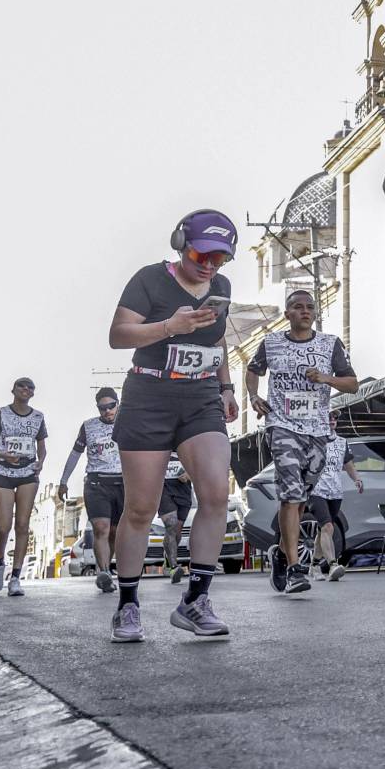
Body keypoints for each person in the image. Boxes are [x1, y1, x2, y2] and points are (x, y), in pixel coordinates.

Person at [106, 208, 241, 641]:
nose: (209, 265)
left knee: (216, 493)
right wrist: (169, 326)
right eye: (202, 254)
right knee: (142, 508)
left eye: (219, 258)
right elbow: (119, 334)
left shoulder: (220, 287)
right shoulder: (149, 279)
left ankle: (195, 602)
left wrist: (226, 387)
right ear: (181, 243)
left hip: (200, 397)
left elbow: (216, 337)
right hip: (149, 397)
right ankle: (127, 607)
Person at [244, 288, 359, 595]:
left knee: (300, 500)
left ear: (314, 314)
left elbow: (352, 384)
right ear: (288, 314)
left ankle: (280, 554)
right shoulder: (271, 343)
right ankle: (296, 568)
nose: (304, 311)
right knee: (291, 496)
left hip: (317, 430)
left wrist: (327, 378)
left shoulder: (329, 344)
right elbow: (253, 370)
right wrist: (254, 397)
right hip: (281, 426)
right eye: (297, 307)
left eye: (310, 307)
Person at [0, 377, 48, 596]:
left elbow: (42, 446)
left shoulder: (38, 417)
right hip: (3, 471)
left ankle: (15, 578)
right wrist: (2, 454)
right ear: (13, 390)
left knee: (23, 525)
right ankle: (0, 563)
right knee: (3, 527)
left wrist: (41, 462)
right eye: (22, 385)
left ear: (33, 393)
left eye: (30, 387)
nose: (26, 389)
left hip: (28, 473)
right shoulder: (1, 413)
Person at [58, 388, 124, 592]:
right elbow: (75, 454)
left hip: (123, 483)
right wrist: (63, 480)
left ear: (117, 403)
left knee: (114, 532)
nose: (107, 411)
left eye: (111, 406)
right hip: (96, 483)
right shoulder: (88, 426)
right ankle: (103, 571)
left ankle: (105, 566)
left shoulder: (129, 422)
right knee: (101, 528)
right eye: (102, 408)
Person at [310, 432, 365, 580]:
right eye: (329, 417)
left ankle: (314, 566)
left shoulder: (342, 442)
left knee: (323, 531)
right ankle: (333, 564)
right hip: (316, 490)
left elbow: (348, 465)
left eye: (335, 417)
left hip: (335, 492)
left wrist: (357, 479)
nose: (333, 420)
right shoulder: (313, 438)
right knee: (328, 527)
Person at [159, 452, 192, 583]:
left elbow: (201, 466)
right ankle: (173, 567)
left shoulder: (187, 442)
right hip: (163, 489)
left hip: (183, 490)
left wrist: (190, 474)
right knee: (171, 525)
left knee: (177, 531)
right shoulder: (159, 439)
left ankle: (168, 557)